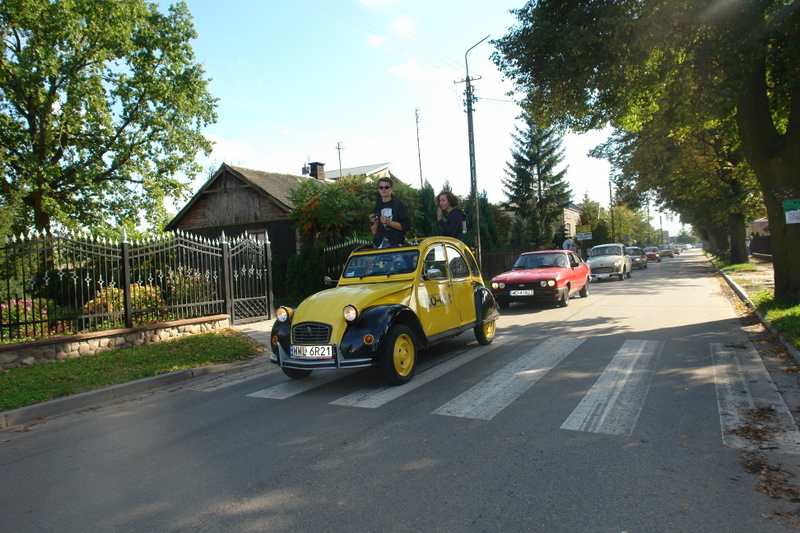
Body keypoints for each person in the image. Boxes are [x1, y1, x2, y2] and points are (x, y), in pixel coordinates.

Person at [370, 177, 410, 248]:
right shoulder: (377, 206)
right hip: (378, 243)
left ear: (391, 189)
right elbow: (374, 232)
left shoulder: (399, 205)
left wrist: (388, 222)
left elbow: (406, 226)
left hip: (395, 242)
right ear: (378, 190)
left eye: (386, 187)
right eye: (381, 187)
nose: (383, 189)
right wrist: (376, 223)